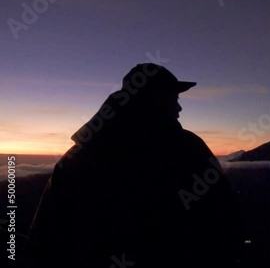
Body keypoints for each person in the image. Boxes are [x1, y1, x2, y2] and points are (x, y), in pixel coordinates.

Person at [26, 63, 242, 268]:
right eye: (172, 97)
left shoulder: (78, 156)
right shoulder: (187, 149)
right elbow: (222, 217)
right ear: (152, 98)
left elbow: (46, 236)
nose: (179, 106)